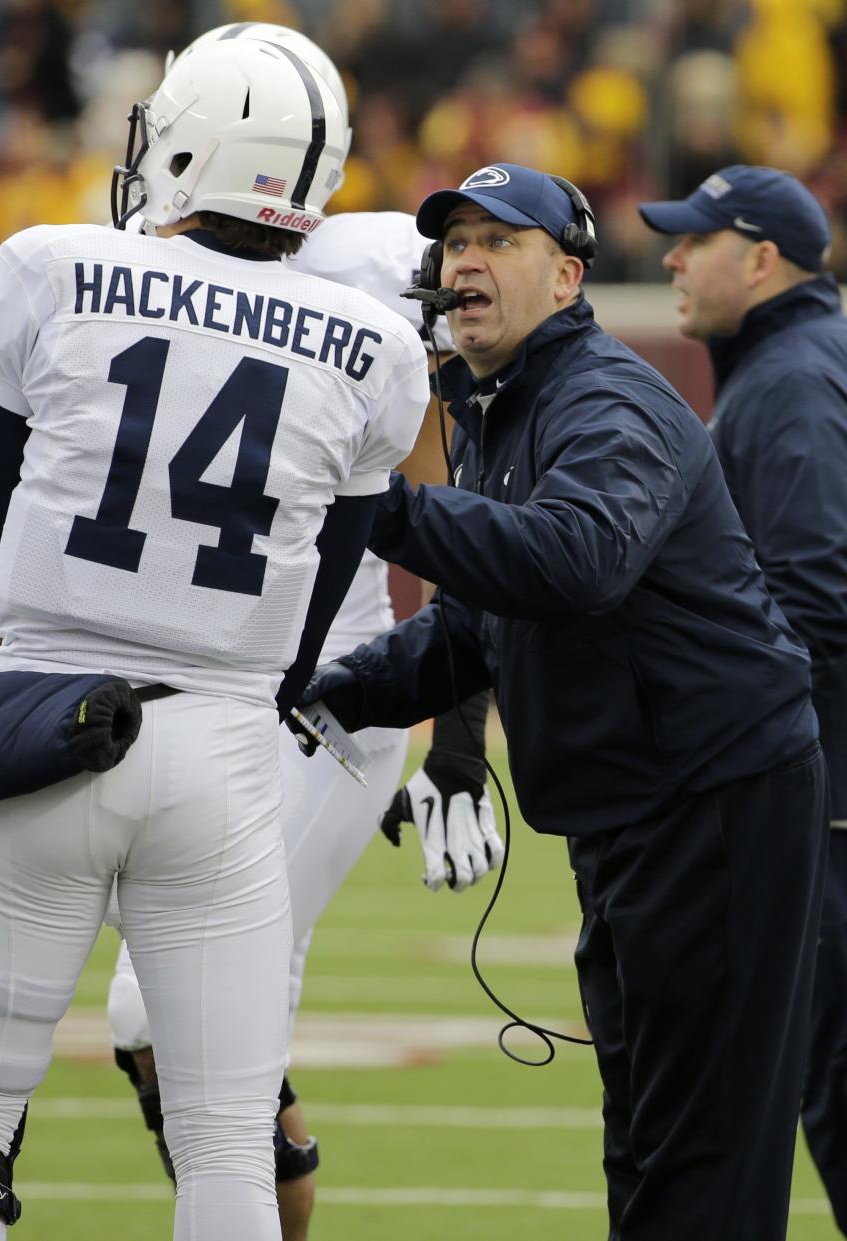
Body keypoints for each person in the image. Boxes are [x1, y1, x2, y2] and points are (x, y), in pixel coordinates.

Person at [0, 39, 431, 1241]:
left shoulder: (53, 267)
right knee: (227, 1143)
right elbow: (321, 600)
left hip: (46, 730)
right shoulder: (375, 349)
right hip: (230, 759)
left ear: (190, 141)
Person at [294, 162, 831, 1240]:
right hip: (638, 805)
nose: (468, 262)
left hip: (710, 799)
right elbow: (477, 621)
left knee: (701, 1150)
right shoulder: (501, 403)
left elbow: (577, 560)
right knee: (645, 1137)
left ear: (568, 275)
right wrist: (325, 695)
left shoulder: (603, 395)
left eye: (500, 241)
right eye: (455, 245)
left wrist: (376, 505)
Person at [106, 205, 504, 1241]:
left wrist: (453, 745)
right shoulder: (146, 278)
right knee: (177, 1034)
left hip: (330, 701)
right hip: (210, 688)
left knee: (161, 1009)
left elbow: (451, 539)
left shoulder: (364, 274)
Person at [639, 164, 847, 1236]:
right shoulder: (798, 364)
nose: (671, 257)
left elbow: (811, 593)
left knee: (836, 1093)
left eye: (695, 239)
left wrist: (737, 755)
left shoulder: (789, 382)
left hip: (824, 804)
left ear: (760, 258)